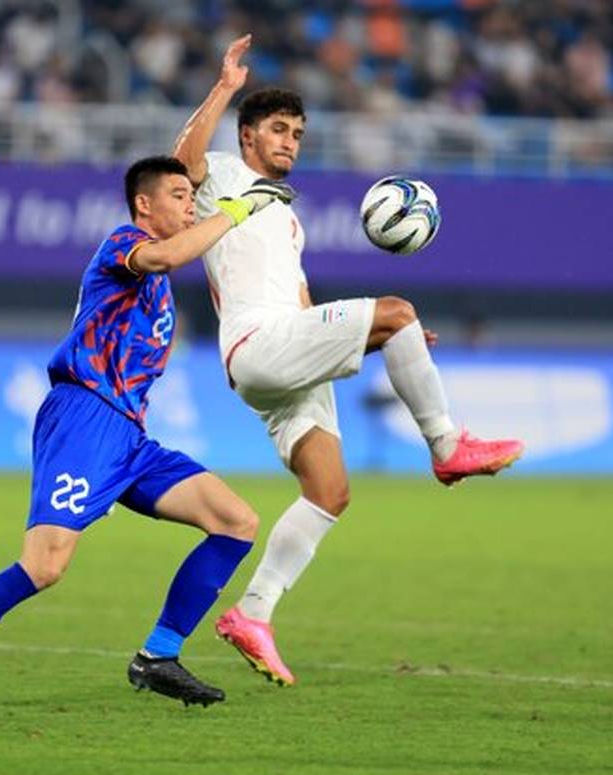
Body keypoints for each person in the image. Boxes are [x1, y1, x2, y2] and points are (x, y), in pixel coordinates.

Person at [172, 35, 525, 687]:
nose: (291, 142)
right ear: (248, 134)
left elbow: (304, 305)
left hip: (283, 348)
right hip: (258, 343)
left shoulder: (287, 217)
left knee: (329, 492)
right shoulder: (221, 174)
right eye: (279, 129)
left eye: (298, 133)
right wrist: (224, 88)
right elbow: (179, 163)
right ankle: (447, 446)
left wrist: (385, 336)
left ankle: (253, 614)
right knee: (398, 309)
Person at [0, 156, 294, 707]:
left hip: (128, 437)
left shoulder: (160, 285)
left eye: (191, 197)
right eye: (178, 196)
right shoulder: (126, 243)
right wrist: (238, 210)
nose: (190, 205)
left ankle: (158, 656)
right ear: (144, 204)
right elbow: (168, 253)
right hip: (85, 417)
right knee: (44, 565)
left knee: (235, 521)